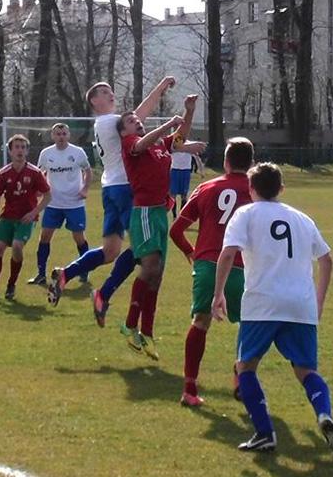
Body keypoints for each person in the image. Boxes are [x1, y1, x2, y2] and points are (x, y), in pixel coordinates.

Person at [213, 162, 333, 457]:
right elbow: (326, 260)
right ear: (282, 189)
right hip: (301, 305)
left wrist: (218, 294)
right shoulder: (301, 218)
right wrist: (319, 302)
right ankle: (323, 414)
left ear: (250, 189)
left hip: (262, 303)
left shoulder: (245, 213)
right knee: (306, 370)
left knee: (245, 367)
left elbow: (227, 253)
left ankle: (264, 433)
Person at [47, 76, 176, 322]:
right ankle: (103, 295)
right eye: (104, 92)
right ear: (95, 102)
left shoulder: (102, 123)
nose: (110, 93)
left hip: (110, 188)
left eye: (110, 90)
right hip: (125, 188)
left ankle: (66, 274)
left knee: (109, 251)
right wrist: (160, 88)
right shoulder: (109, 121)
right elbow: (139, 116)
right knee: (142, 249)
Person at [117, 96, 206, 360]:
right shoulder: (131, 144)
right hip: (143, 212)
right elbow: (145, 142)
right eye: (132, 121)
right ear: (124, 132)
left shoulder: (158, 145)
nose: (137, 122)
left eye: (137, 119)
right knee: (150, 267)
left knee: (157, 276)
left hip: (159, 213)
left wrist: (188, 112)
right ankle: (130, 324)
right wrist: (169, 123)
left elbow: (180, 138)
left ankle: (147, 333)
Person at [169, 137, 254, 407]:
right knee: (250, 323)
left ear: (226, 162)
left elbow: (176, 231)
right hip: (242, 267)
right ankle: (241, 376)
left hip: (207, 265)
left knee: (200, 322)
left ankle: (190, 390)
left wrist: (191, 252)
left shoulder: (206, 187)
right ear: (251, 163)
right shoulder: (257, 189)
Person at [0, 135, 51, 303]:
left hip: (26, 219)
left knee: (16, 246)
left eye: (23, 147)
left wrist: (33, 212)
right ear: (10, 151)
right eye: (16, 147)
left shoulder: (35, 173)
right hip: (7, 217)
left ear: (27, 150)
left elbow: (48, 196)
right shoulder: (3, 173)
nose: (20, 150)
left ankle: (11, 285)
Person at [28, 123, 93, 286]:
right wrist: (39, 190)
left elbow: (88, 171)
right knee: (44, 237)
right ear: (53, 136)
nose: (61, 136)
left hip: (74, 203)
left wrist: (85, 188)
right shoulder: (46, 153)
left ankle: (84, 271)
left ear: (68, 135)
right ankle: (41, 274)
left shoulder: (77, 152)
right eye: (58, 134)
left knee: (79, 238)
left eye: (64, 133)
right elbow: (40, 173)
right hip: (53, 203)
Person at [169, 150, 193, 219]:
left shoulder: (190, 146)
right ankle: (174, 216)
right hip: (174, 171)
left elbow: (197, 157)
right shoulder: (173, 145)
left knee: (184, 195)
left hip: (186, 171)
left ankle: (181, 216)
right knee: (173, 195)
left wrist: (201, 170)